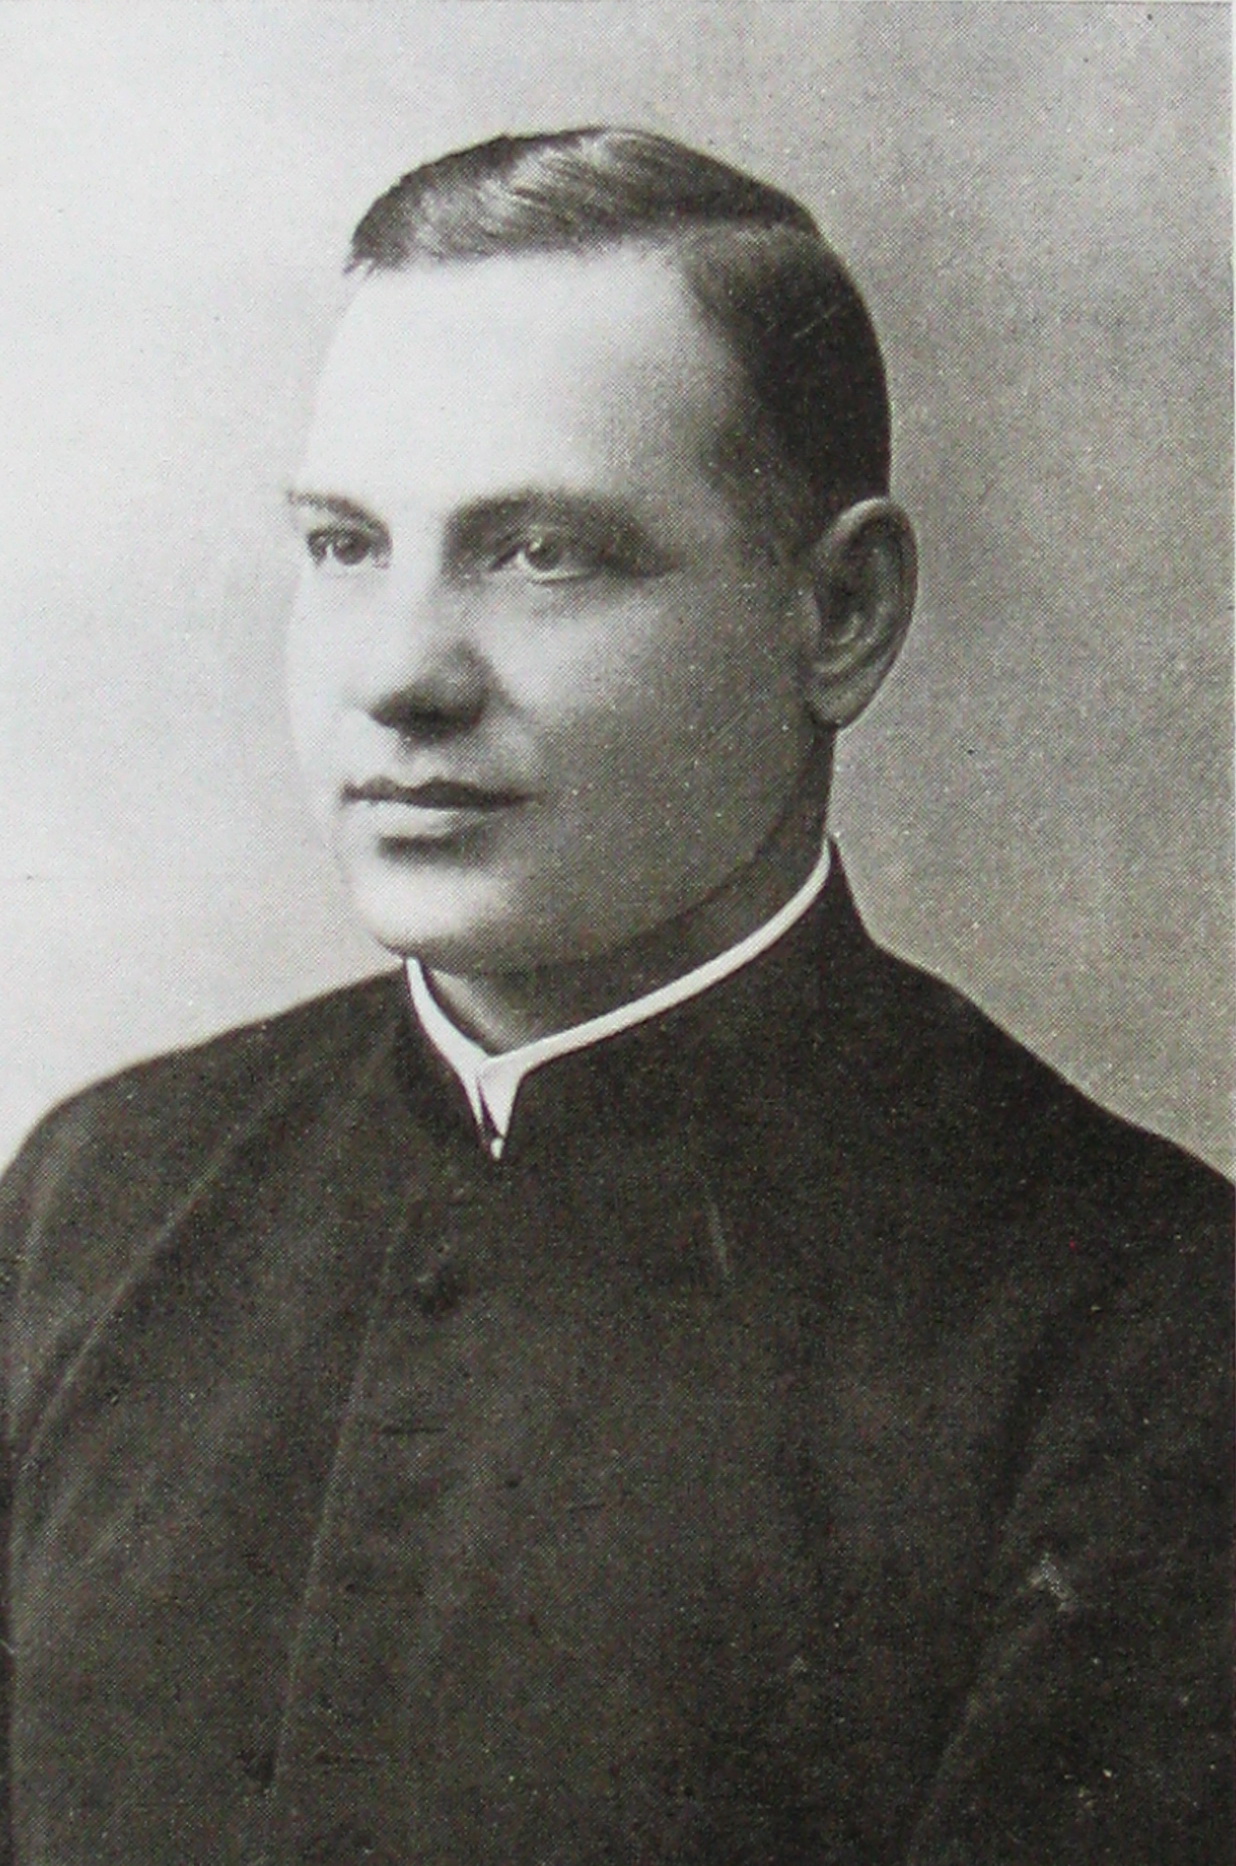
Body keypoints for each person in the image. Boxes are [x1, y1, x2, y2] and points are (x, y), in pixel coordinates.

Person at [0, 128, 1228, 1866]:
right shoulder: (100, 1196)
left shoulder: (1143, 1337)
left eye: (541, 553)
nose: (401, 675)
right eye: (346, 545)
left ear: (841, 613)